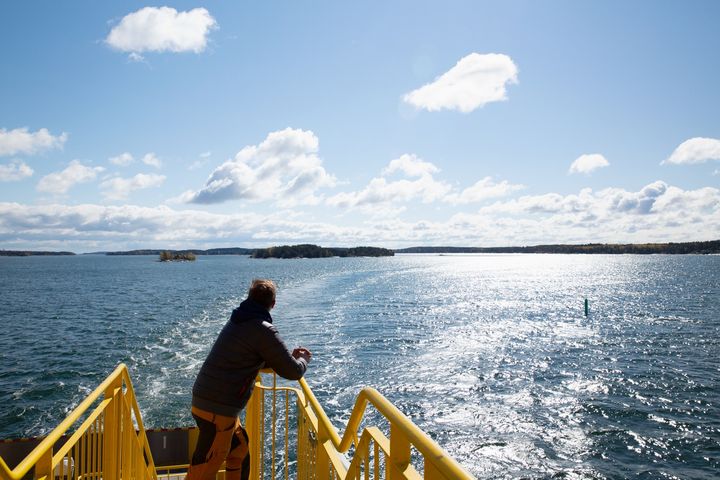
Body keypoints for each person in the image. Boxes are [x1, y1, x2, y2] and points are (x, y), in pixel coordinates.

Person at [186, 279, 312, 480]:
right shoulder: (263, 328)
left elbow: (247, 355)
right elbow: (293, 372)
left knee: (239, 451)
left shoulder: (238, 319)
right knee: (203, 469)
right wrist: (303, 359)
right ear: (273, 304)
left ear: (249, 298)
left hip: (209, 401)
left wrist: (284, 358)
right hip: (217, 410)